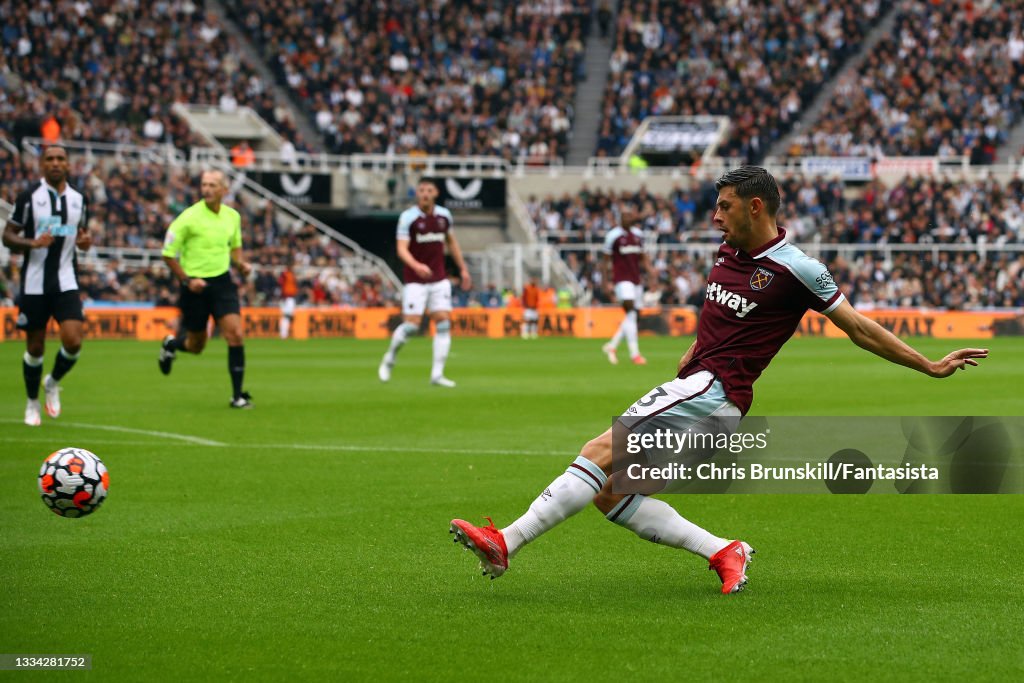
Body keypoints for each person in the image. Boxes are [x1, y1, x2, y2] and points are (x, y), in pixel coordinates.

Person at [449, 166, 988, 594]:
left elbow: (860, 329)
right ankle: (723, 551)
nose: (715, 216)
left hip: (716, 393)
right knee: (611, 493)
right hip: (701, 390)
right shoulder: (728, 250)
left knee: (598, 451)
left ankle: (506, 543)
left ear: (756, 206)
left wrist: (929, 365)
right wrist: (683, 369)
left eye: (724, 206)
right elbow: (717, 322)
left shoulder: (797, 267)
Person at [2, 145, 92, 426]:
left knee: (74, 341)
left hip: (66, 280)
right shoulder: (29, 197)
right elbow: (7, 235)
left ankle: (52, 382)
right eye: (50, 159)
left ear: (68, 164)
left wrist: (85, 243)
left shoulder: (79, 199)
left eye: (60, 159)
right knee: (36, 347)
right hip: (34, 283)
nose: (55, 163)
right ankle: (31, 403)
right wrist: (32, 243)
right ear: (42, 164)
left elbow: (81, 235)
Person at [157, 169, 254, 408]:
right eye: (204, 185)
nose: (207, 189)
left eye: (212, 185)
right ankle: (171, 344)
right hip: (195, 286)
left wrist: (240, 265)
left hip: (222, 283)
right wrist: (188, 280)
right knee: (196, 345)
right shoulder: (188, 218)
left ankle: (237, 396)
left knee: (236, 334)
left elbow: (235, 247)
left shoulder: (232, 216)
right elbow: (167, 254)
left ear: (224, 189)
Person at [378, 178, 471, 387]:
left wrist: (463, 269)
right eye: (421, 190)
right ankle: (390, 358)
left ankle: (437, 374)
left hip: (439, 278)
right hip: (415, 280)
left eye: (429, 190)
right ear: (417, 194)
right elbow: (401, 248)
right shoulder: (408, 217)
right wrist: (416, 265)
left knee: (444, 323)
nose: (425, 194)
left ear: (436, 192)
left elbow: (452, 244)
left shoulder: (444, 216)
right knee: (411, 326)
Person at [601, 207, 651, 365]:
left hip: (636, 279)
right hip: (621, 279)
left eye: (630, 215)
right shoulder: (613, 236)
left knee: (632, 316)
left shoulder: (638, 235)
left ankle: (612, 346)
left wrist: (651, 273)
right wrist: (605, 281)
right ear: (620, 219)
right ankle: (635, 354)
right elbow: (605, 261)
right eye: (625, 216)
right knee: (631, 312)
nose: (628, 218)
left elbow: (643, 257)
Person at [278, 264, 298, 339]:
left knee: (288, 317)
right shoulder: (285, 274)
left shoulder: (290, 275)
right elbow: (281, 285)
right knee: (286, 316)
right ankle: (284, 334)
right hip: (287, 298)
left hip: (290, 297)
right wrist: (283, 297)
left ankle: (285, 334)